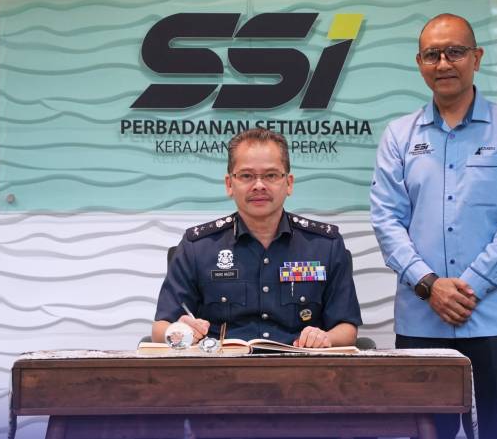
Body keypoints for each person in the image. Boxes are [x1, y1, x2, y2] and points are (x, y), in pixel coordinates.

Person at [370, 13, 497, 439]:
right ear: (419, 63)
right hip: (422, 320)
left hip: (495, 319)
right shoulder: (399, 136)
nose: (444, 63)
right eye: (432, 55)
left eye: (455, 52)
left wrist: (470, 287)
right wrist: (429, 285)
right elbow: (387, 219)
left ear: (476, 58)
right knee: (427, 431)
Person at [153, 128, 362, 348]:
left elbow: (347, 328)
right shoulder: (198, 247)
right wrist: (179, 331)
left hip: (299, 364)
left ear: (289, 183)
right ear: (229, 184)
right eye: (246, 176)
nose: (259, 185)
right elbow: (160, 328)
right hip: (221, 366)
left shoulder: (324, 246)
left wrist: (325, 338)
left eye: (271, 175)